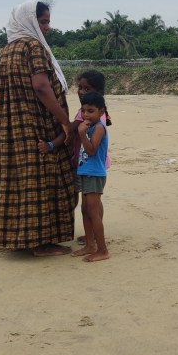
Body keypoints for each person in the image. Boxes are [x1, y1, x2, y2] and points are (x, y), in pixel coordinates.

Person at [0, 0, 76, 256]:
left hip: (11, 126)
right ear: (29, 21)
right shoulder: (33, 46)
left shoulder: (7, 50)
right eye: (42, 21)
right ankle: (42, 242)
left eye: (48, 22)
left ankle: (19, 237)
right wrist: (64, 120)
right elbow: (41, 86)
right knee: (44, 177)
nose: (47, 27)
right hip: (37, 122)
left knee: (18, 178)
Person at [40, 70, 112, 246]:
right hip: (86, 164)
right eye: (80, 87)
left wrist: (52, 143)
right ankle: (91, 237)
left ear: (98, 93)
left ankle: (97, 241)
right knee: (90, 205)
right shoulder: (88, 111)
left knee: (91, 207)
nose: (81, 92)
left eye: (87, 89)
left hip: (92, 165)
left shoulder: (90, 118)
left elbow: (74, 132)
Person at [74, 91, 110, 262]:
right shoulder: (89, 126)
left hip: (94, 174)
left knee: (93, 212)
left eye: (90, 111)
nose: (86, 115)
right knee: (85, 210)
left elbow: (91, 150)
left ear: (101, 112)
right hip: (85, 172)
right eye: (83, 111)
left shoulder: (99, 128)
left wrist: (81, 133)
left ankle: (102, 250)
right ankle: (90, 245)